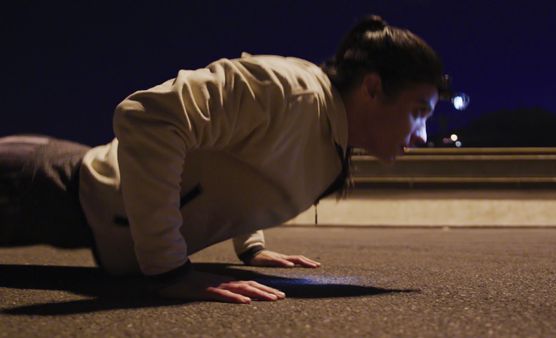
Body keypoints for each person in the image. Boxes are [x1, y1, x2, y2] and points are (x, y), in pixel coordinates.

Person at [0, 15, 443, 303]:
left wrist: (250, 246)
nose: (422, 134)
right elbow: (146, 119)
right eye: (418, 111)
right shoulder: (287, 90)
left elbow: (242, 162)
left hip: (67, 208)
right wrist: (169, 270)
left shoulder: (331, 145)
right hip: (39, 182)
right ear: (371, 88)